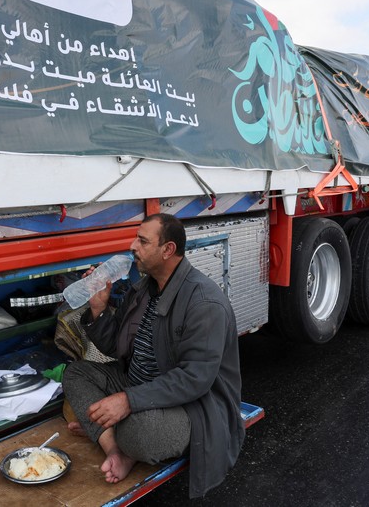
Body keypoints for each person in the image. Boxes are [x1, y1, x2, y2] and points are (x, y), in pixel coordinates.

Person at [62, 213, 244, 499]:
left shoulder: (204, 302)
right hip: (136, 385)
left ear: (167, 250)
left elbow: (194, 380)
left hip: (189, 406)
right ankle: (115, 450)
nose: (132, 245)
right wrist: (98, 309)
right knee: (75, 373)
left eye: (142, 241)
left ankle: (111, 435)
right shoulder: (142, 290)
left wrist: (127, 401)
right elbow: (116, 346)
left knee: (140, 433)